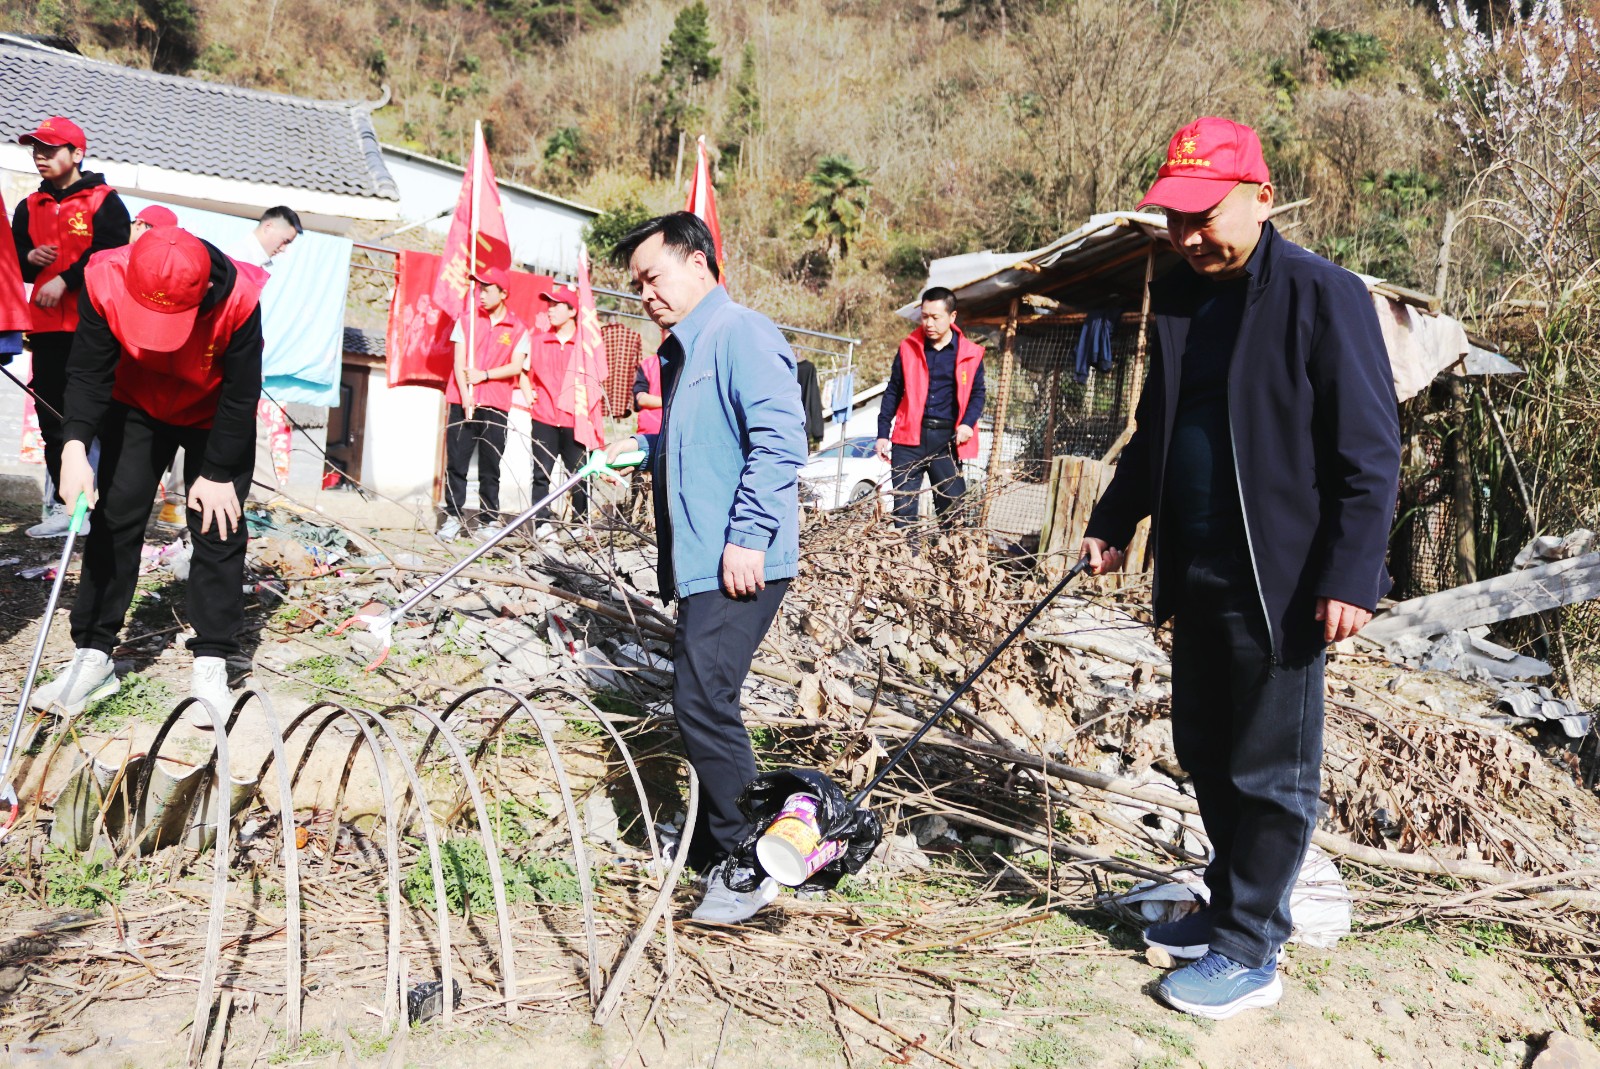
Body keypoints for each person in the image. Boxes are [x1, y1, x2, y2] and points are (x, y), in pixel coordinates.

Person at [1078, 116, 1401, 1020]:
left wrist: (1351, 573)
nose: (1187, 235)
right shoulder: (1180, 298)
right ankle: (1231, 903)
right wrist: (1113, 519)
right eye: (1173, 218)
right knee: (1205, 750)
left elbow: (1370, 450)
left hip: (1286, 576)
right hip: (1199, 564)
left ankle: (1252, 948)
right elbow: (1156, 430)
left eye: (1203, 214)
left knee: (1269, 767)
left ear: (1262, 197)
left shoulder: (1322, 294)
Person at [602, 212, 806, 923]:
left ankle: (751, 860)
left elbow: (780, 440)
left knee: (701, 699)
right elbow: (703, 446)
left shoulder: (739, 332)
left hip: (739, 558)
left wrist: (749, 533)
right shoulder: (685, 350)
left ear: (698, 263)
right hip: (704, 561)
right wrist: (644, 454)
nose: (646, 294)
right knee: (698, 697)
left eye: (653, 277)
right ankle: (714, 842)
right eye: (637, 286)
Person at [29, 226, 266, 730]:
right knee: (114, 516)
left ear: (203, 292)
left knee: (216, 525)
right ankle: (93, 655)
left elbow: (244, 392)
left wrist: (219, 470)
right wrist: (73, 447)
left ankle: (212, 661)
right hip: (136, 404)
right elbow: (89, 372)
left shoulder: (240, 300)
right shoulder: (105, 278)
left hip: (212, 413)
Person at [11, 115, 131, 538]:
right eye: (35, 149)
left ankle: (108, 508)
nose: (40, 157)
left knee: (98, 418)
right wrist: (30, 260)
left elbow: (114, 258)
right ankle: (67, 509)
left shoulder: (105, 202)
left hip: (94, 330)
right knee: (51, 419)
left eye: (49, 149)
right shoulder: (29, 206)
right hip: (45, 330)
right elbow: (14, 261)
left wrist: (67, 278)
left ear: (77, 154)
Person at [875, 287, 985, 529]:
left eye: (936, 317)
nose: (929, 323)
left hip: (947, 442)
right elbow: (893, 391)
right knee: (904, 513)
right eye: (925, 316)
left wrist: (968, 423)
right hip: (908, 440)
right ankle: (906, 564)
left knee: (953, 513)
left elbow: (978, 394)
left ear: (952, 317)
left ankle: (947, 565)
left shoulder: (971, 354)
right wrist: (883, 433)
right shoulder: (907, 348)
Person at [439, 267, 530, 542]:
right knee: (457, 463)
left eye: (488, 289)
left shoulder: (518, 328)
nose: (481, 294)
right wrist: (465, 396)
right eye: (479, 289)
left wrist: (485, 375)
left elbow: (516, 366)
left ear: (503, 293)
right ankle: (453, 517)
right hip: (462, 400)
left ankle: (489, 519)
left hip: (495, 403)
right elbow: (457, 361)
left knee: (491, 465)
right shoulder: (466, 320)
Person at [522, 284, 589, 537]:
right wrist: (529, 395)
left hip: (575, 419)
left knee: (581, 474)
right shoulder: (537, 340)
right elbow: (523, 372)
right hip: (544, 418)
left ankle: (580, 524)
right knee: (541, 473)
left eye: (556, 305)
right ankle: (541, 523)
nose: (550, 310)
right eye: (548, 305)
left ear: (572, 311)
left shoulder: (583, 345)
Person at [228, 205, 300, 272]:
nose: (283, 249)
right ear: (268, 227)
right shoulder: (238, 258)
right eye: (284, 241)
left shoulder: (254, 261)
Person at [632, 351, 662, 435]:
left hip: (677, 431)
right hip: (650, 432)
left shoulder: (687, 364)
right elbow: (641, 398)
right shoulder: (648, 364)